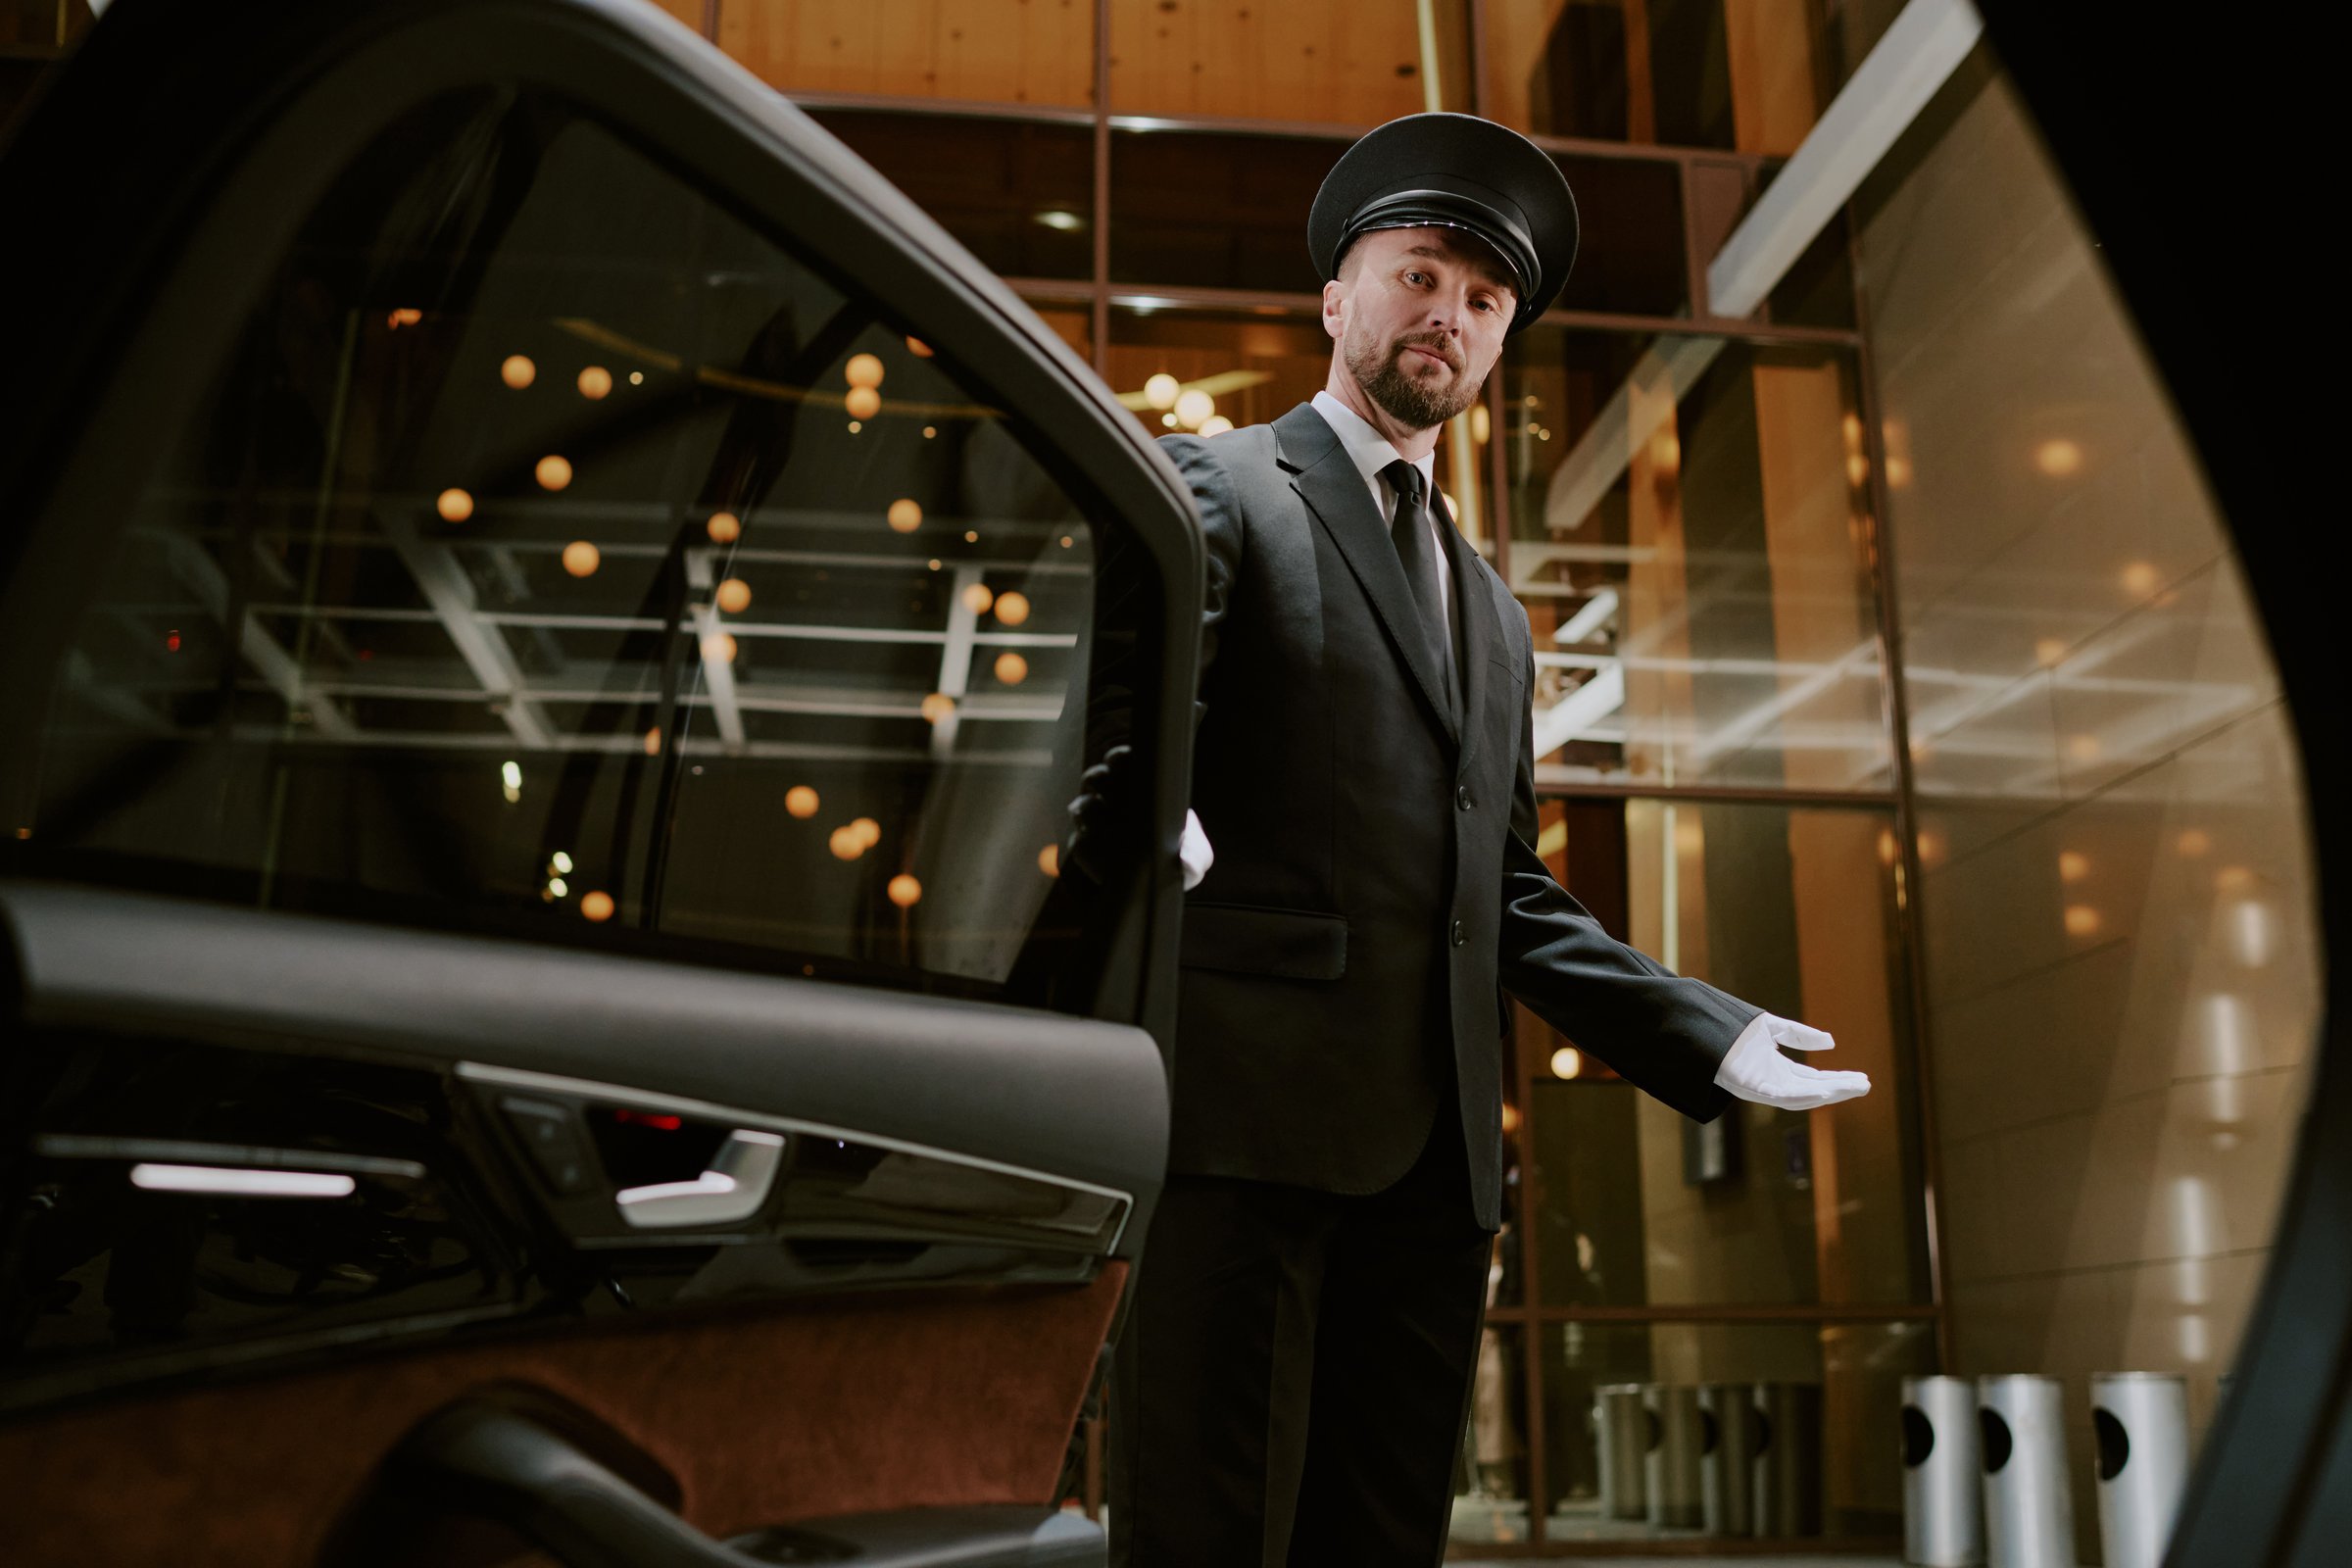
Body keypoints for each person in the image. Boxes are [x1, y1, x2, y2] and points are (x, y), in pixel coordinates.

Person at [1082, 112, 1872, 1568]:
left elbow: (1500, 891)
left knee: (1377, 1542)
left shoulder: (1497, 618)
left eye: (1484, 301)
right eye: (1420, 274)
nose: (1447, 315)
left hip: (1434, 1176)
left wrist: (1699, 1029)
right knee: (1208, 1538)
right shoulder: (1220, 487)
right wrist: (1149, 823)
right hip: (1244, 1142)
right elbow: (1121, 751)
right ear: (1339, 296)